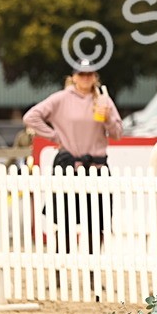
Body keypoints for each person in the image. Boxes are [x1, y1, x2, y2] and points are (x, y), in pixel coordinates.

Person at [24, 61, 123, 252]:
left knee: (97, 223)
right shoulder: (61, 98)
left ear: (95, 76)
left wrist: (109, 117)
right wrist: (54, 135)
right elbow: (31, 117)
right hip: (69, 165)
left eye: (89, 74)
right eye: (81, 74)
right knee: (64, 221)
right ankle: (63, 266)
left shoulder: (103, 99)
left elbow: (118, 133)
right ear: (74, 77)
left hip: (96, 167)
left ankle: (92, 270)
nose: (86, 78)